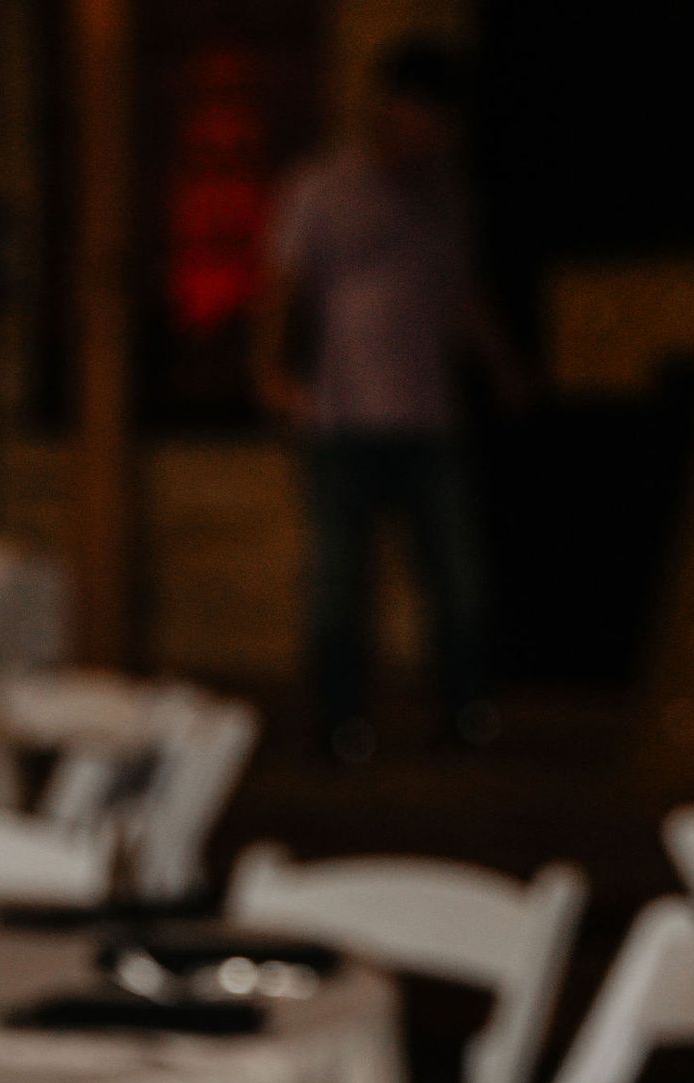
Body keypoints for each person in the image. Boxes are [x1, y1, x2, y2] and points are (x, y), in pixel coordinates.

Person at [254, 39, 518, 758]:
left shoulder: (445, 194)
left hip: (430, 418)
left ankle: (465, 713)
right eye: (417, 116)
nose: (426, 134)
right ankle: (340, 725)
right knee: (339, 582)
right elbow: (282, 287)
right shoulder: (321, 186)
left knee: (459, 577)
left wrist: (500, 369)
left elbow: (464, 295)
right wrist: (273, 374)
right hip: (342, 420)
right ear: (386, 108)